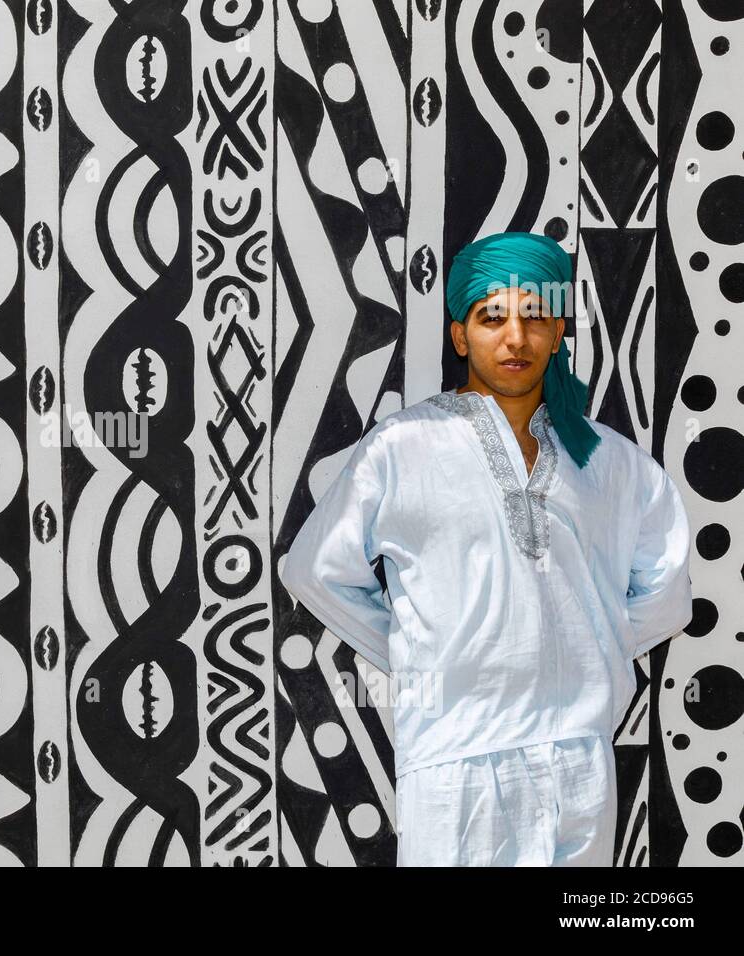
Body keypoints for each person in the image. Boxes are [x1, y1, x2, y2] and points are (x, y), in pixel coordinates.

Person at [278, 231, 694, 866]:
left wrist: (589, 644)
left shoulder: (612, 463)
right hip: (455, 761)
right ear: (459, 335)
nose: (515, 337)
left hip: (580, 760)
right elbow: (314, 570)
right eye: (492, 317)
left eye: (535, 316)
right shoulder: (403, 448)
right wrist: (422, 651)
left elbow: (667, 592)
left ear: (559, 333)